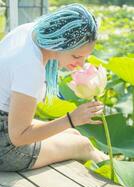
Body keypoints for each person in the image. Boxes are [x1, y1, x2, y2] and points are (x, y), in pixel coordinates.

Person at [0, 3, 108, 172]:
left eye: (86, 57)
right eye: (76, 56)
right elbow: (18, 136)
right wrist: (71, 119)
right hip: (5, 148)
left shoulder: (30, 31)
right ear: (59, 42)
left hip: (6, 122)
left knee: (74, 135)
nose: (81, 64)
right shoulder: (31, 67)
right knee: (83, 145)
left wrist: (70, 125)